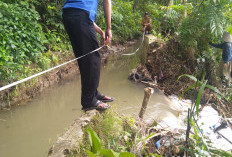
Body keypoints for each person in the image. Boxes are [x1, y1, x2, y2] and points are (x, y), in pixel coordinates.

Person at [62, 0, 114, 111]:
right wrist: (108, 28)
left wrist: (100, 31)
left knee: (85, 59)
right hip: (81, 15)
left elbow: (79, 12)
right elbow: (106, 2)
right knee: (93, 59)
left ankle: (93, 93)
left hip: (68, 15)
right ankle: (89, 100)